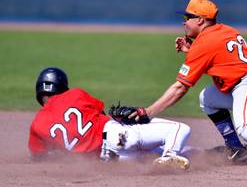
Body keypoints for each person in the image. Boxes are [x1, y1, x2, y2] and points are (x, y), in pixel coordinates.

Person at [130, 0, 247, 163]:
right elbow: (223, 63)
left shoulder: (204, 43)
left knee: (246, 127)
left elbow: (180, 88)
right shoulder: (225, 30)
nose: (184, 23)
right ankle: (236, 151)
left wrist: (149, 112)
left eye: (187, 18)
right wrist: (192, 51)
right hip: (246, 82)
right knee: (207, 98)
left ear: (200, 20)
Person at [28, 67, 191, 170]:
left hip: (109, 160)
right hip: (117, 136)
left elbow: (39, 157)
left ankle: (192, 154)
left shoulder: (37, 124)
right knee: (180, 129)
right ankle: (170, 154)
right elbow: (102, 114)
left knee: (152, 154)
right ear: (62, 86)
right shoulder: (75, 94)